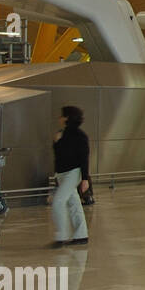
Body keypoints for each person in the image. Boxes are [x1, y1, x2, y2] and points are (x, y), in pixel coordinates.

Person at [50, 105, 91, 247]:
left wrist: (85, 179)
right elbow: (59, 155)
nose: (59, 118)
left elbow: (84, 158)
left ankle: (61, 236)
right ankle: (81, 235)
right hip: (61, 174)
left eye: (62, 115)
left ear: (67, 118)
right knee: (74, 203)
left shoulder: (80, 136)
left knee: (58, 201)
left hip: (73, 173)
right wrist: (56, 143)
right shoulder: (61, 134)